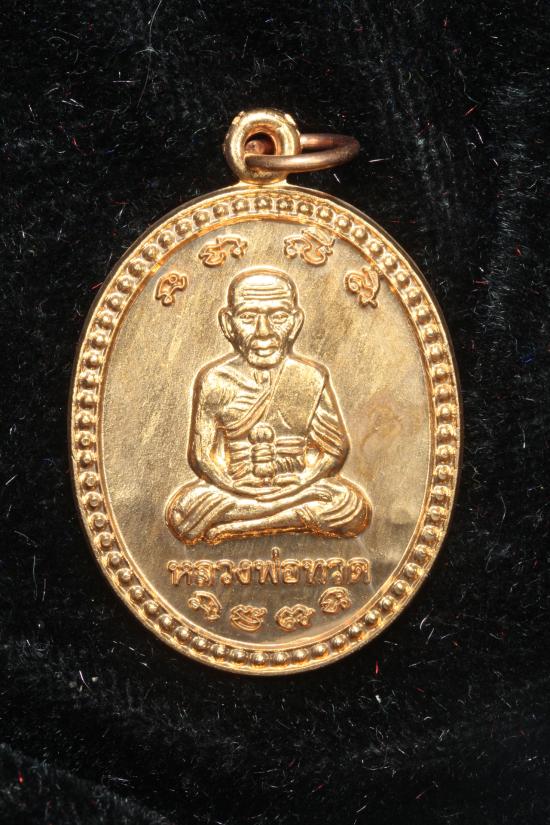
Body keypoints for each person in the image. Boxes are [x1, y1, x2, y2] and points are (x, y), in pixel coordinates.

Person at [166, 267, 370, 545]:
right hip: (237, 489)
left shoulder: (309, 377)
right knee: (183, 511)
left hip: (297, 485)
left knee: (351, 505)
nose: (264, 331)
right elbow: (202, 458)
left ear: (295, 322)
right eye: (248, 317)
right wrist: (238, 487)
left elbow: (335, 451)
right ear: (228, 323)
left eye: (279, 316)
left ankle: (246, 526)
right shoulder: (215, 380)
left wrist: (301, 482)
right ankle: (282, 518)